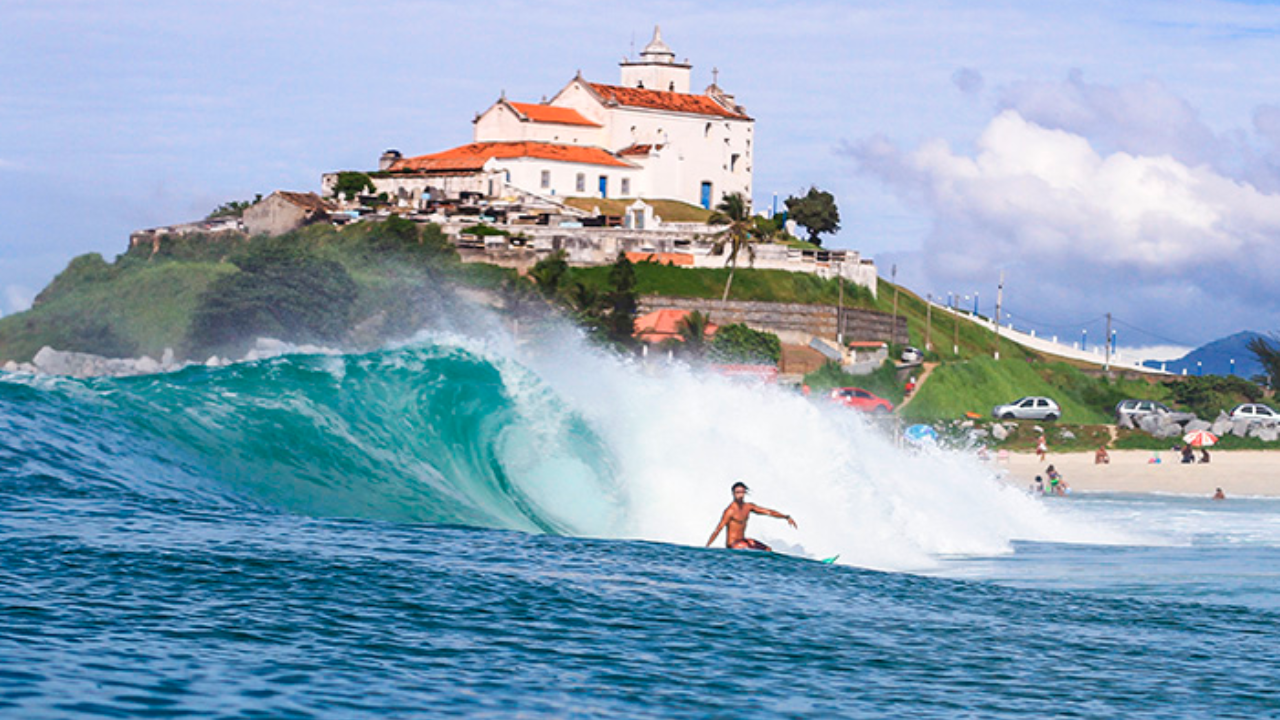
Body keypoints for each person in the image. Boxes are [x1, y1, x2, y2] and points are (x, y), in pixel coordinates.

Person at [707, 481, 797, 552]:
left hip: (742, 540)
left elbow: (768, 512)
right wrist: (707, 547)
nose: (740, 495)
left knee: (767, 550)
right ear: (733, 494)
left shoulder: (748, 507)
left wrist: (786, 517)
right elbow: (718, 529)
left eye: (742, 492)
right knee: (747, 548)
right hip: (733, 544)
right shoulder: (730, 511)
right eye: (738, 492)